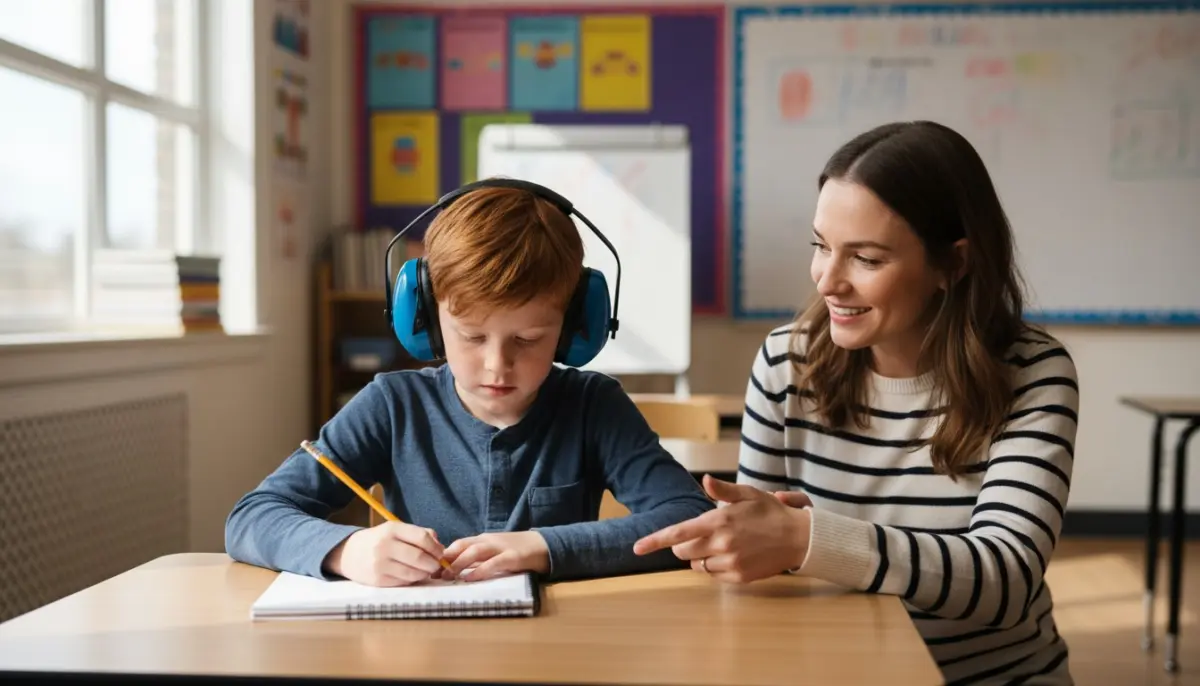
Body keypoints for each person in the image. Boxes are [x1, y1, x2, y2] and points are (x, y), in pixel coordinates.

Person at [633, 121, 1078, 685]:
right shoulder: (785, 361)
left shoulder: (1032, 372)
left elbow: (1004, 581)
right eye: (821, 247)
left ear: (954, 264)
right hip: (836, 668)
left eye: (866, 259)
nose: (827, 281)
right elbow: (759, 562)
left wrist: (806, 538)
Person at [226, 181, 714, 587]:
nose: (496, 365)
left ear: (572, 329)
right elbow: (252, 517)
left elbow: (689, 517)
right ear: (428, 321)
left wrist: (542, 546)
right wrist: (345, 550)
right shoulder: (392, 406)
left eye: (527, 339)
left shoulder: (593, 406)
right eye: (472, 336)